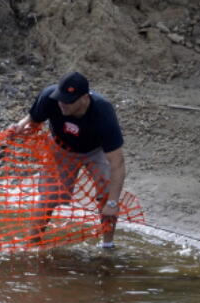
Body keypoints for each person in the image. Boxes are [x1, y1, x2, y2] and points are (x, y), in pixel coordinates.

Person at [12, 71, 127, 248]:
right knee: (48, 198)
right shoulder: (49, 98)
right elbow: (32, 120)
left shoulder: (103, 113)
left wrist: (113, 203)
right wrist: (20, 127)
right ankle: (31, 246)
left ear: (85, 99)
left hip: (95, 151)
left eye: (68, 100)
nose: (62, 104)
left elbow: (117, 163)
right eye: (60, 98)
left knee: (106, 197)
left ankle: (108, 246)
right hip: (60, 148)